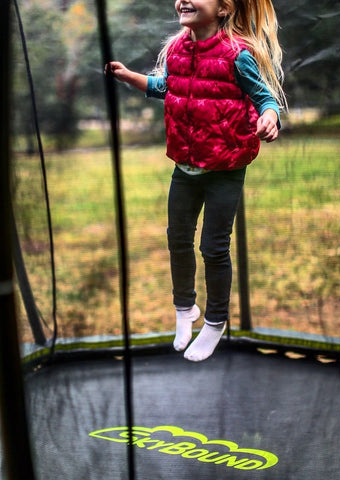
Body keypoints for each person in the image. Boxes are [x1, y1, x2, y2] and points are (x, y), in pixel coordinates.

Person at [105, 0, 286, 362]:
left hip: (225, 169)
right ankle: (184, 309)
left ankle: (216, 321)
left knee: (214, 248)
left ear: (223, 9)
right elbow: (165, 87)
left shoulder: (237, 55)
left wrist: (269, 117)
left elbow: (265, 97)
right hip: (185, 166)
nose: (184, 0)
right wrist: (129, 76)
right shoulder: (176, 49)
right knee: (178, 240)